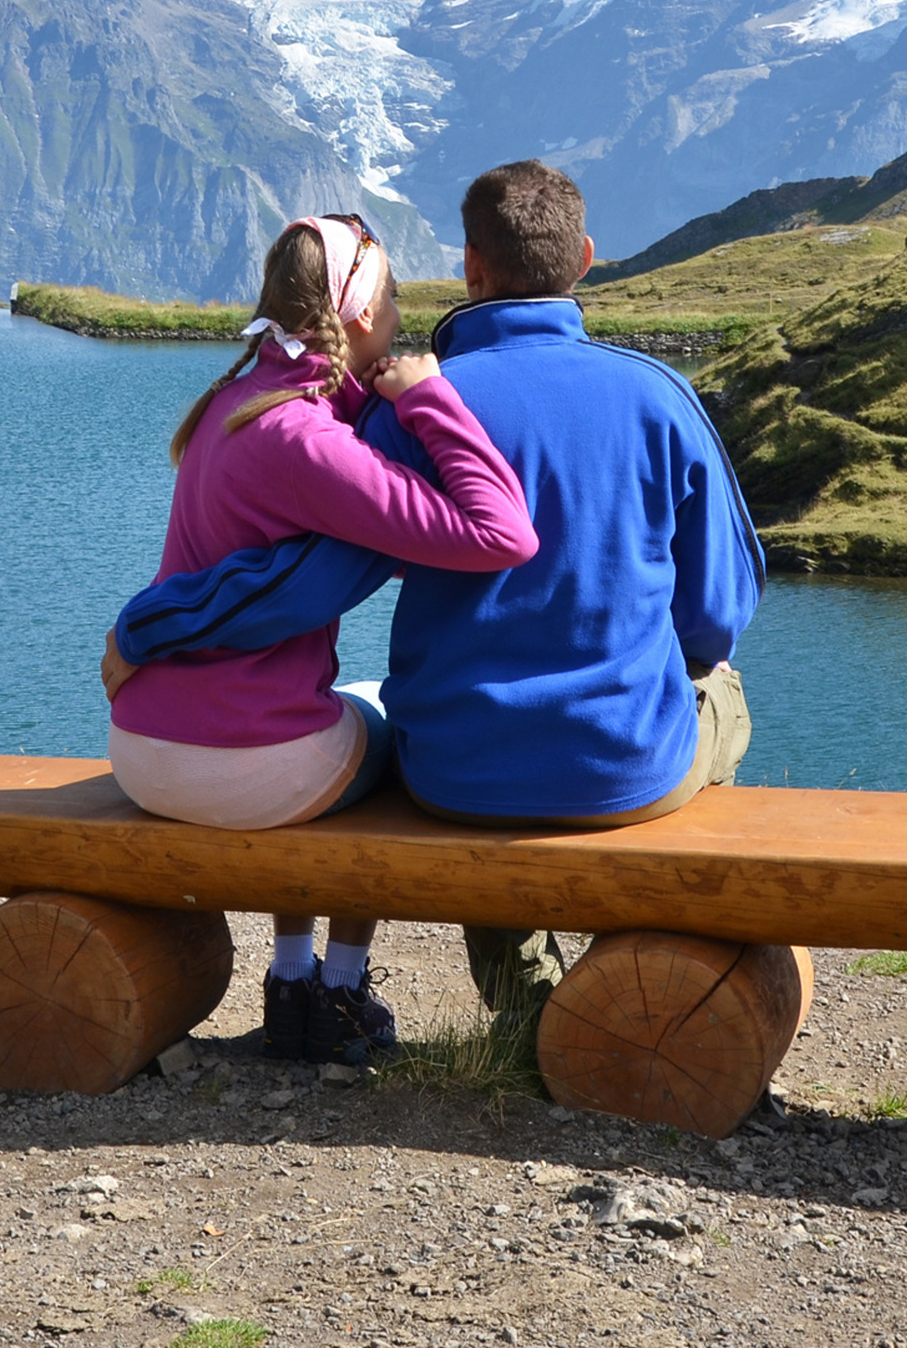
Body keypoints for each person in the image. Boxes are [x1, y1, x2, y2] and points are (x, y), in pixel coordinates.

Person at [104, 161, 762, 1026]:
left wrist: (146, 631)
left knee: (447, 741)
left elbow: (307, 583)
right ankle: (650, 961)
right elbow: (716, 615)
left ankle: (524, 1004)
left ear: (471, 267)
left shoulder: (397, 412)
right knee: (724, 691)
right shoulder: (660, 396)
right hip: (625, 765)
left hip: (455, 772)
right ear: (588, 259)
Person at [108, 211, 538, 1063]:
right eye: (390, 303)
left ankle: (289, 974)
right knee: (399, 730)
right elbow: (501, 535)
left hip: (142, 747)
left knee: (335, 720)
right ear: (354, 313)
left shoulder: (234, 401)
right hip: (234, 769)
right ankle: (336, 989)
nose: (399, 321)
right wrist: (427, 399)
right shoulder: (305, 437)